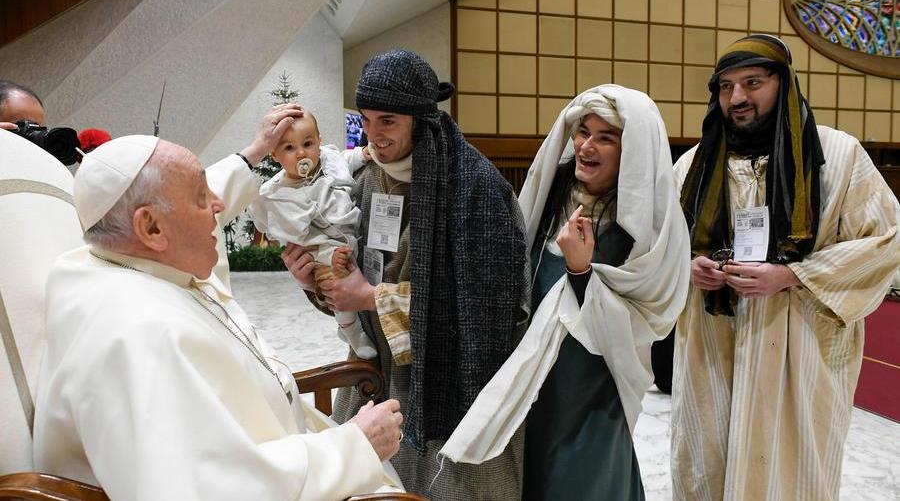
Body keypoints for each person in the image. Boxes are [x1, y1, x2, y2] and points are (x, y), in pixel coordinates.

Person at [32, 104, 408, 500]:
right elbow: (205, 487)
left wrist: (256, 151)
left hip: (291, 445)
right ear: (151, 226)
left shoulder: (123, 260)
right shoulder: (137, 337)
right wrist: (354, 447)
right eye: (200, 196)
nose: (217, 207)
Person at [282, 50, 529, 499]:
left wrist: (375, 297)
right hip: (380, 378)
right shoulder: (367, 181)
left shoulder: (477, 190)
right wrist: (315, 281)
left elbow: (489, 314)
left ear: (421, 119)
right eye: (366, 119)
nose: (374, 135)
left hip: (456, 390)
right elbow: (350, 275)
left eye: (388, 121)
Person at [671, 34, 900, 500]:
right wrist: (688, 266)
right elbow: (662, 246)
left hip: (802, 345)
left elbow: (885, 241)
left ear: (784, 83)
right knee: (706, 464)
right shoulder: (693, 165)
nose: (738, 98)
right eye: (726, 87)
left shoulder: (837, 157)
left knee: (791, 471)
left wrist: (794, 274)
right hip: (712, 344)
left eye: (753, 83)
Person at [440, 85, 691, 500]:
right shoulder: (549, 198)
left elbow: (650, 317)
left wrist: (581, 270)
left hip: (592, 390)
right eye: (582, 132)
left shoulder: (653, 230)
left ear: (634, 153)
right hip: (535, 378)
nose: (586, 146)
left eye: (605, 138)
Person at [250, 112, 377, 359]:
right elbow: (263, 221)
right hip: (320, 250)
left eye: (308, 144)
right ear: (274, 155)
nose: (301, 153)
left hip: (350, 233)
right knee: (335, 283)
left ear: (319, 141)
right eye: (289, 147)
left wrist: (363, 154)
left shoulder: (330, 163)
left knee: (351, 274)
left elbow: (346, 158)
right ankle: (351, 329)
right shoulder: (275, 193)